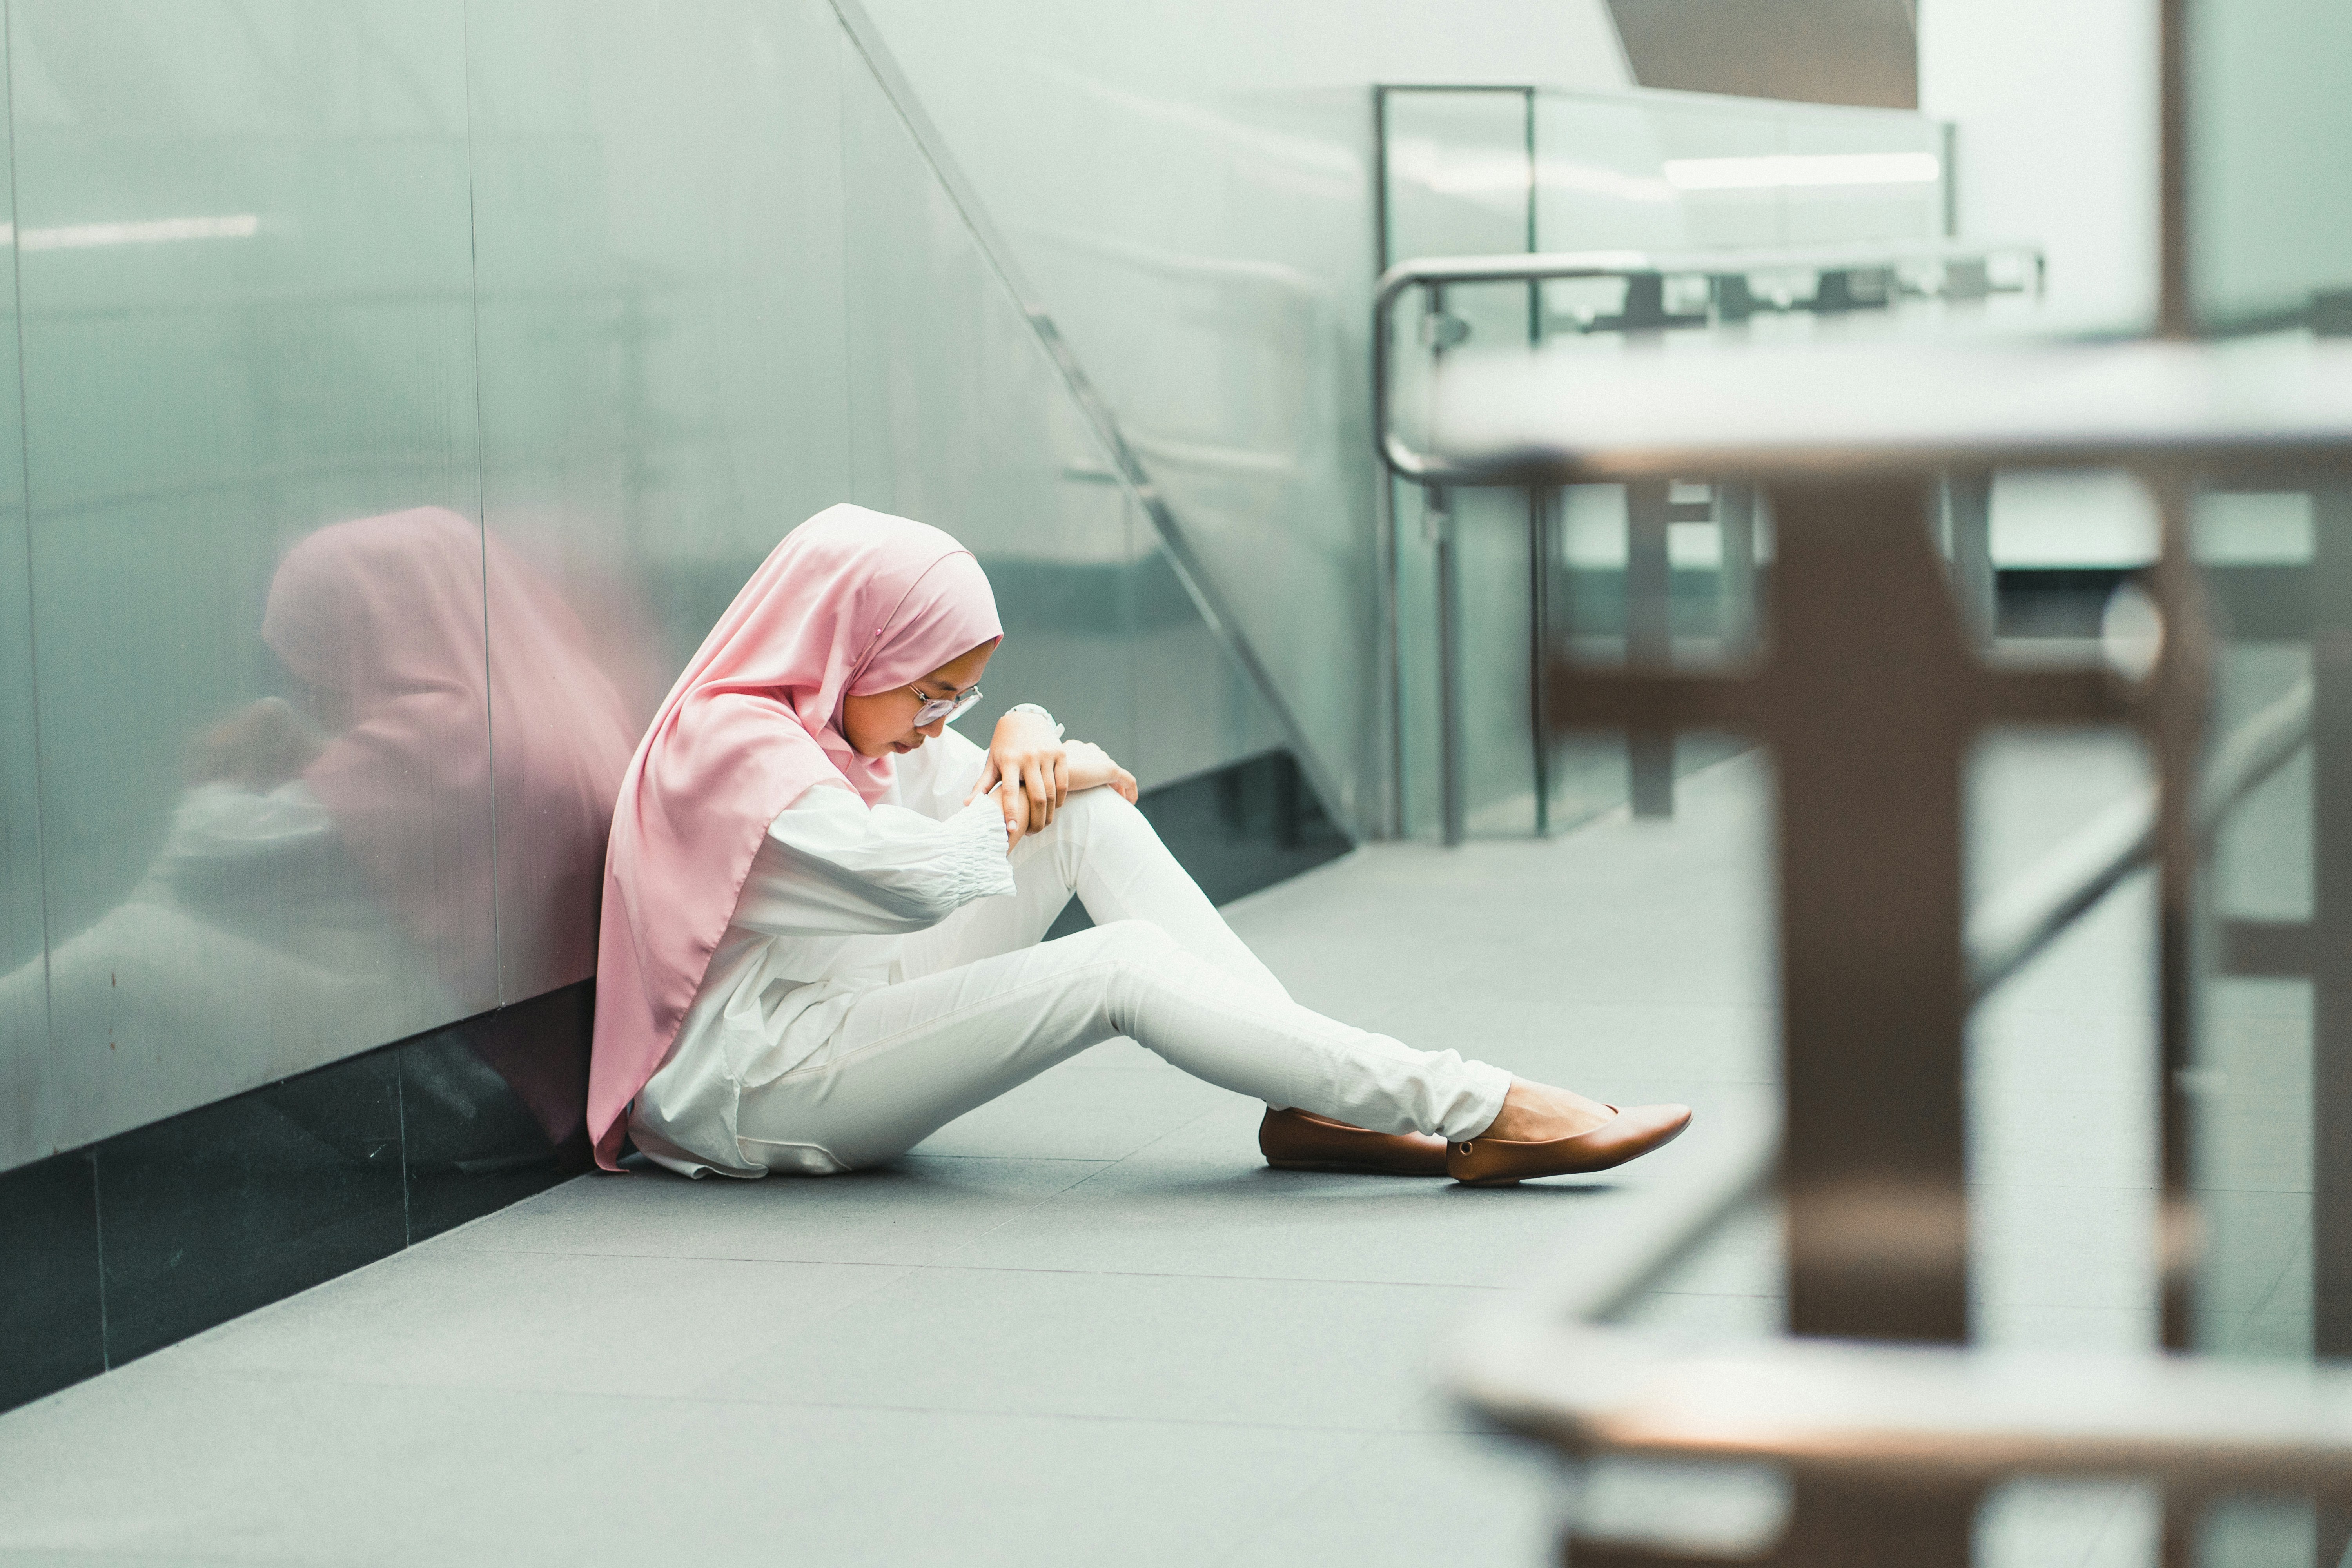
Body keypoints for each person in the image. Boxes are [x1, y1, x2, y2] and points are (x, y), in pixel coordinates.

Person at [588, 504, 1690, 1187]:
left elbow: (1016, 776)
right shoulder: (736, 750)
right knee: (1111, 966)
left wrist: (1024, 735)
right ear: (851, 645)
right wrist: (1030, 754)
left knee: (1085, 816)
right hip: (760, 1086)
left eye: (959, 697)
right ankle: (1470, 1105)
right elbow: (923, 881)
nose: (940, 721)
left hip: (845, 1006)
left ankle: (1306, 1103)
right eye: (932, 694)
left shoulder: (838, 720)